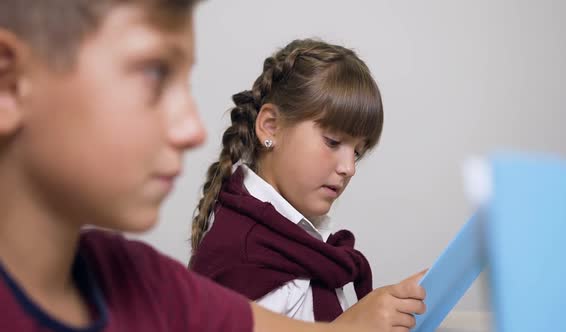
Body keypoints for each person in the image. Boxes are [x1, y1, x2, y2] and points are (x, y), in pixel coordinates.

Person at [0, 1, 417, 331]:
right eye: (154, 73)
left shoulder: (148, 280)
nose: (194, 130)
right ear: (10, 84)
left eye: (358, 152)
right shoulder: (224, 262)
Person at [189, 38, 426, 329]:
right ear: (271, 126)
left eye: (357, 153)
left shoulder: (294, 242)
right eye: (333, 141)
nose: (349, 168)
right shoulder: (241, 253)